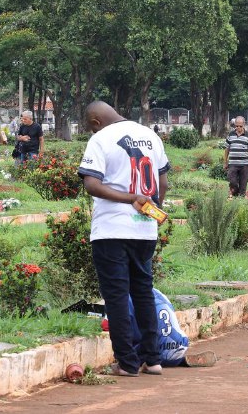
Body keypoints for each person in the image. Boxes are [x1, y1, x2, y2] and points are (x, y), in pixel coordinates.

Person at [77, 101, 170, 377]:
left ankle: (127, 363)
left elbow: (91, 184)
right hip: (144, 230)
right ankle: (152, 359)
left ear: (95, 121)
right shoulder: (150, 135)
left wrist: (131, 198)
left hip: (111, 231)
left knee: (116, 296)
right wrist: (151, 210)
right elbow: (162, 182)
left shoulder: (100, 138)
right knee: (143, 292)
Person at [224, 116, 248, 198]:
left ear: (244, 125)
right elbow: (227, 149)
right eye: (237, 126)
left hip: (245, 165)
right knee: (232, 182)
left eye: (240, 126)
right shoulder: (230, 135)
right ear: (235, 125)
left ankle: (240, 200)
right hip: (233, 164)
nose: (238, 128)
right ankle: (235, 195)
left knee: (243, 185)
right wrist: (225, 162)